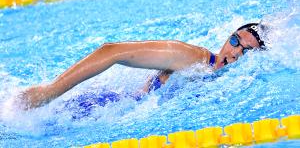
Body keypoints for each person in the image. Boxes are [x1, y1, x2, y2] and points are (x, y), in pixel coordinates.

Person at [17, 23, 266, 110]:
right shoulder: (193, 58)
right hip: (102, 109)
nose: (234, 53)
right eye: (234, 41)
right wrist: (49, 92)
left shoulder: (227, 81)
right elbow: (110, 51)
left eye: (246, 51)